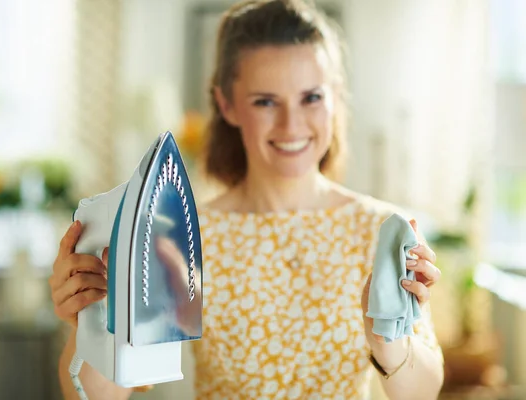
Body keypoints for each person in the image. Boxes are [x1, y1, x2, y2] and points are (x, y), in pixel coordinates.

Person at [49, 0, 445, 398]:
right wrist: (90, 322)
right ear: (227, 104)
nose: (292, 125)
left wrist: (388, 343)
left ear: (337, 97)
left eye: (311, 98)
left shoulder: (380, 229)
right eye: (266, 101)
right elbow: (101, 395)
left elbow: (423, 391)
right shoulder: (183, 234)